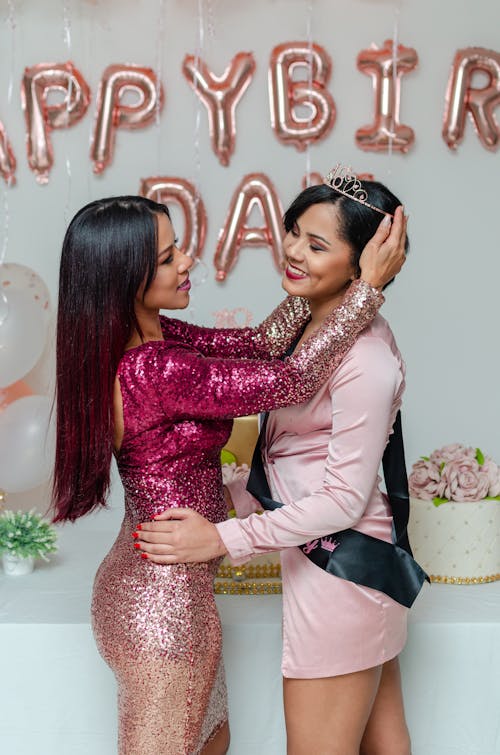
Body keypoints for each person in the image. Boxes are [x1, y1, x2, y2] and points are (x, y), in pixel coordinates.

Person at [52, 191, 406, 755]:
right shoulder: (153, 366)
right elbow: (289, 382)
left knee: (215, 743)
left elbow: (261, 345)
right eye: (168, 258)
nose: (187, 261)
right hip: (159, 611)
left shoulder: (164, 338)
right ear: (124, 278)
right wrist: (364, 290)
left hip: (171, 593)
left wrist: (331, 285)